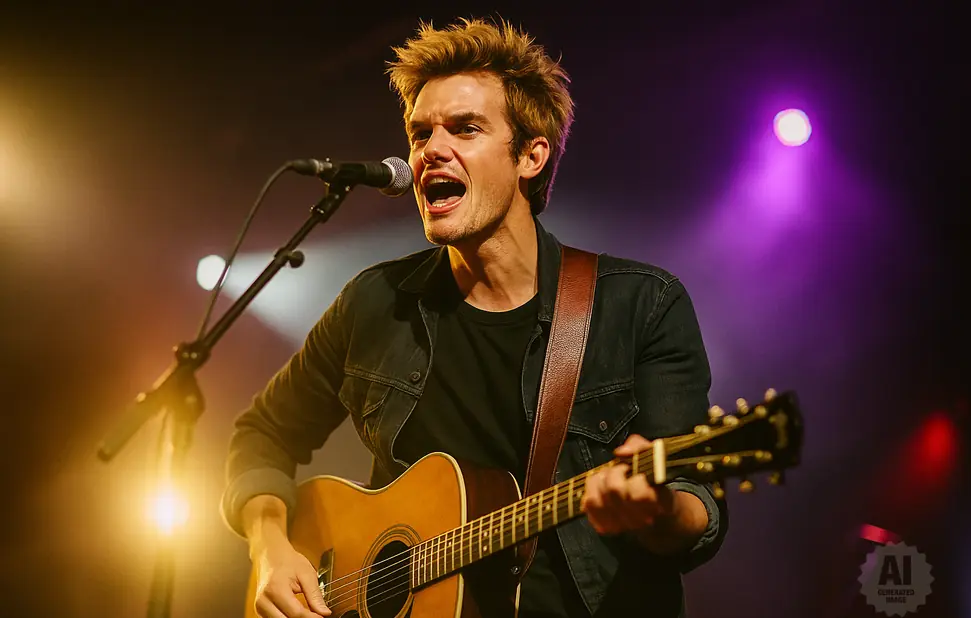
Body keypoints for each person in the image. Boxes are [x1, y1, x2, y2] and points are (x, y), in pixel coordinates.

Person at [222, 16, 728, 618]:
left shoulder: (641, 305)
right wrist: (271, 544)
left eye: (465, 128)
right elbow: (262, 435)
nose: (431, 150)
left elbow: (697, 504)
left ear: (531, 156)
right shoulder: (374, 302)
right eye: (420, 133)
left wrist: (658, 508)